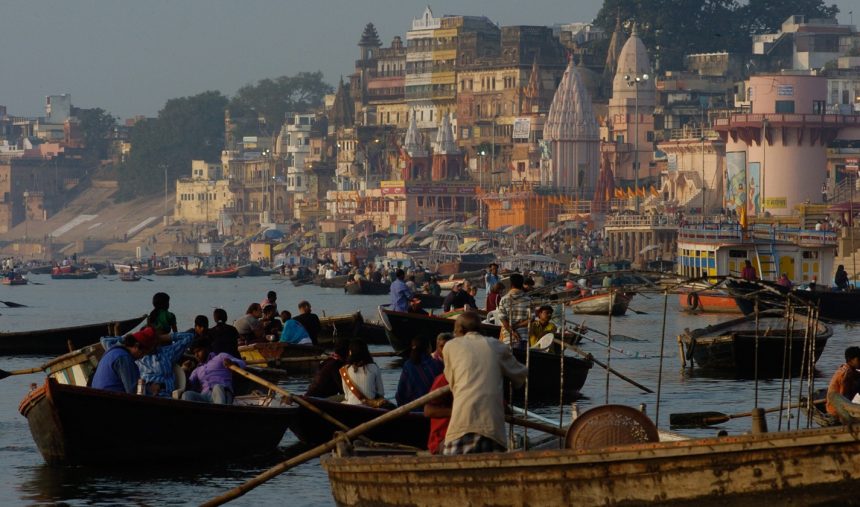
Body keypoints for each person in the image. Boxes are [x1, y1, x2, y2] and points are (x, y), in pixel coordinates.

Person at [441, 312, 528, 455]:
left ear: (460, 330)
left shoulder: (450, 346)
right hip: (492, 427)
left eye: (455, 330)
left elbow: (452, 382)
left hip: (461, 423)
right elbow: (521, 375)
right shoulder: (496, 346)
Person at [92, 327, 158, 393]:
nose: (142, 357)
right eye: (143, 353)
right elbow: (134, 391)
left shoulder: (111, 352)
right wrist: (150, 389)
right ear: (136, 346)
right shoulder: (124, 358)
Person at [182, 337, 246, 405]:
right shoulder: (197, 369)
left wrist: (232, 363)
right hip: (205, 397)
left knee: (217, 387)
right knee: (187, 394)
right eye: (194, 353)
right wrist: (184, 370)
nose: (196, 355)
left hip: (222, 392)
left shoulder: (221, 357)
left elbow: (242, 363)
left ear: (206, 349)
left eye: (198, 351)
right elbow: (190, 384)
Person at [395, 336, 443, 408]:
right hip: (434, 408)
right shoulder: (438, 364)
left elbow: (400, 393)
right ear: (428, 348)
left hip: (412, 408)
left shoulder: (408, 365)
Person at [340, 340, 387, 407]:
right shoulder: (374, 367)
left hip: (351, 407)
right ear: (366, 352)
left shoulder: (344, 370)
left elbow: (347, 397)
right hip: (370, 408)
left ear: (350, 352)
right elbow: (381, 393)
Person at [497, 273, 530, 349]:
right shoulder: (528, 300)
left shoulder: (504, 299)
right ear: (522, 284)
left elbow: (502, 319)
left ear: (511, 284)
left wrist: (512, 332)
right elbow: (531, 319)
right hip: (523, 337)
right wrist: (518, 326)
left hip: (507, 337)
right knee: (520, 360)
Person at [826, 346, 860, 417]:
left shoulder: (852, 372)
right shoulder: (845, 375)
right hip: (837, 411)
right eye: (859, 359)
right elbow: (841, 399)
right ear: (851, 360)